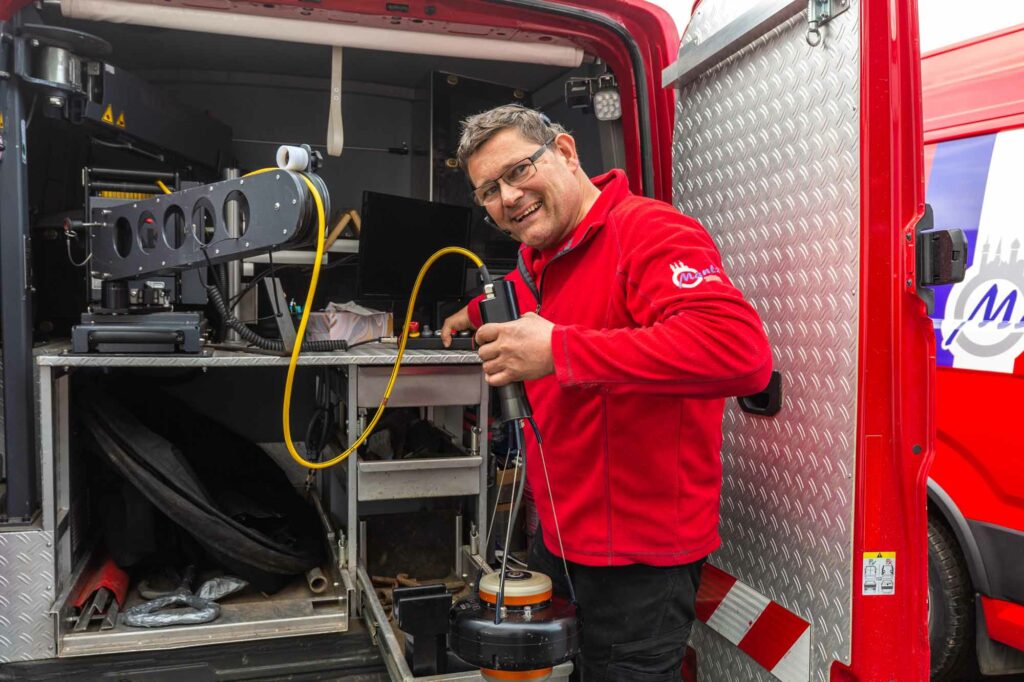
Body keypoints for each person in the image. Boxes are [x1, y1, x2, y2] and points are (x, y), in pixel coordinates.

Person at [441, 104, 772, 681]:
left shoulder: (649, 230)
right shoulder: (541, 255)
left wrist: (560, 351)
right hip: (561, 537)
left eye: (518, 171)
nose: (508, 198)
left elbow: (739, 352)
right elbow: (525, 291)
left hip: (638, 562)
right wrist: (469, 314)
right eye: (489, 191)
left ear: (566, 153)